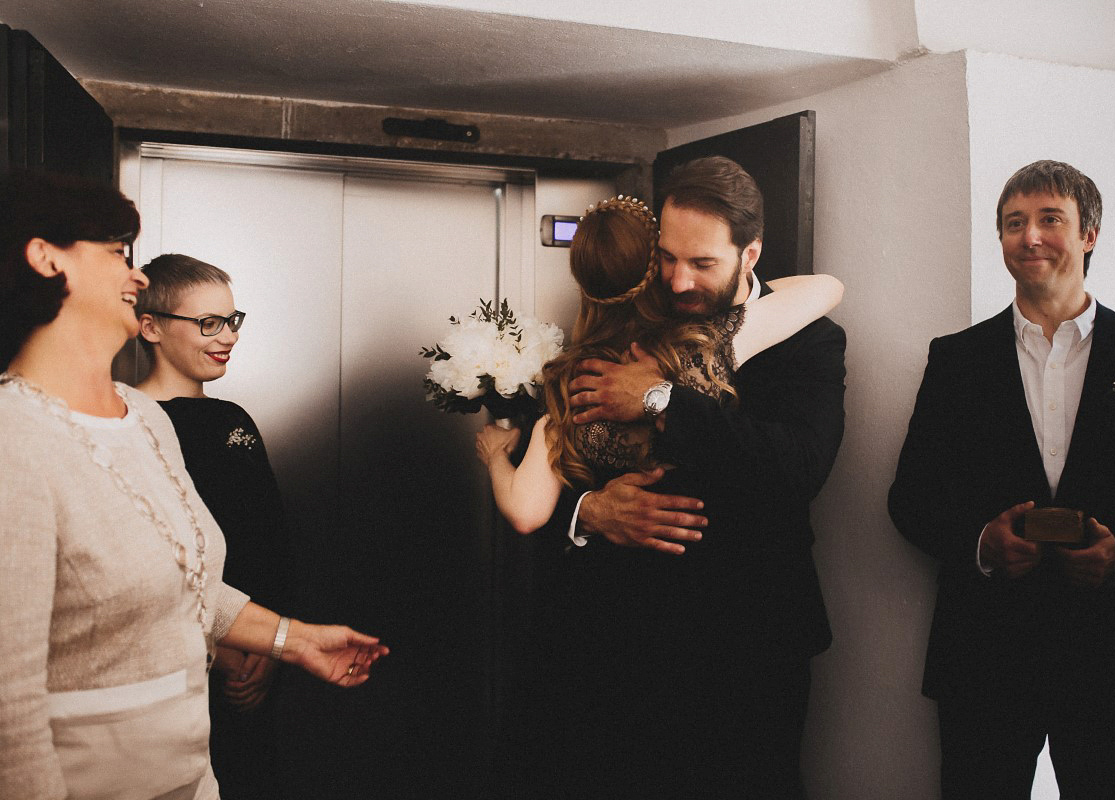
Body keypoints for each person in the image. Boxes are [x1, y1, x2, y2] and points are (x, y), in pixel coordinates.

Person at [0, 169, 388, 800]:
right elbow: (7, 702)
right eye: (117, 253)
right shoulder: (13, 437)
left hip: (188, 774)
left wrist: (296, 641)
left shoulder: (146, 419)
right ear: (46, 259)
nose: (137, 275)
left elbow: (190, 586)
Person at [483, 158, 847, 799]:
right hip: (610, 637)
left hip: (746, 644)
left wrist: (661, 401)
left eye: (702, 264)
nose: (678, 281)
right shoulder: (625, 319)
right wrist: (588, 510)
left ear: (749, 254)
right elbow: (566, 448)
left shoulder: (807, 343)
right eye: (667, 258)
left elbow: (796, 472)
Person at [888, 160, 1115, 799]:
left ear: (1089, 234)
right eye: (1013, 223)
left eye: (1049, 219)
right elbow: (911, 498)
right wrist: (981, 542)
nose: (1029, 236)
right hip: (983, 652)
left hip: (1113, 652)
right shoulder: (956, 360)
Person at [134, 254, 292, 800]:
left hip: (262, 657)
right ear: (150, 325)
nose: (227, 336)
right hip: (179, 666)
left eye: (232, 320)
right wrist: (221, 652)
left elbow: (272, 541)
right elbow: (151, 562)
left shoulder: (234, 419)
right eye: (208, 323)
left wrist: (271, 645)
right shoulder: (129, 421)